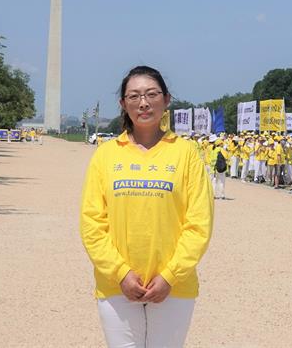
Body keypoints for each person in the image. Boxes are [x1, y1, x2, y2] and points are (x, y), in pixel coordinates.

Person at [80, 66, 214, 348]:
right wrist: (121, 273)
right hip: (116, 285)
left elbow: (199, 224)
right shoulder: (105, 155)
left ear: (166, 99)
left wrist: (170, 276)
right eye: (134, 96)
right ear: (123, 104)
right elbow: (92, 223)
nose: (143, 103)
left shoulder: (186, 153)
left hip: (173, 287)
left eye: (152, 94)